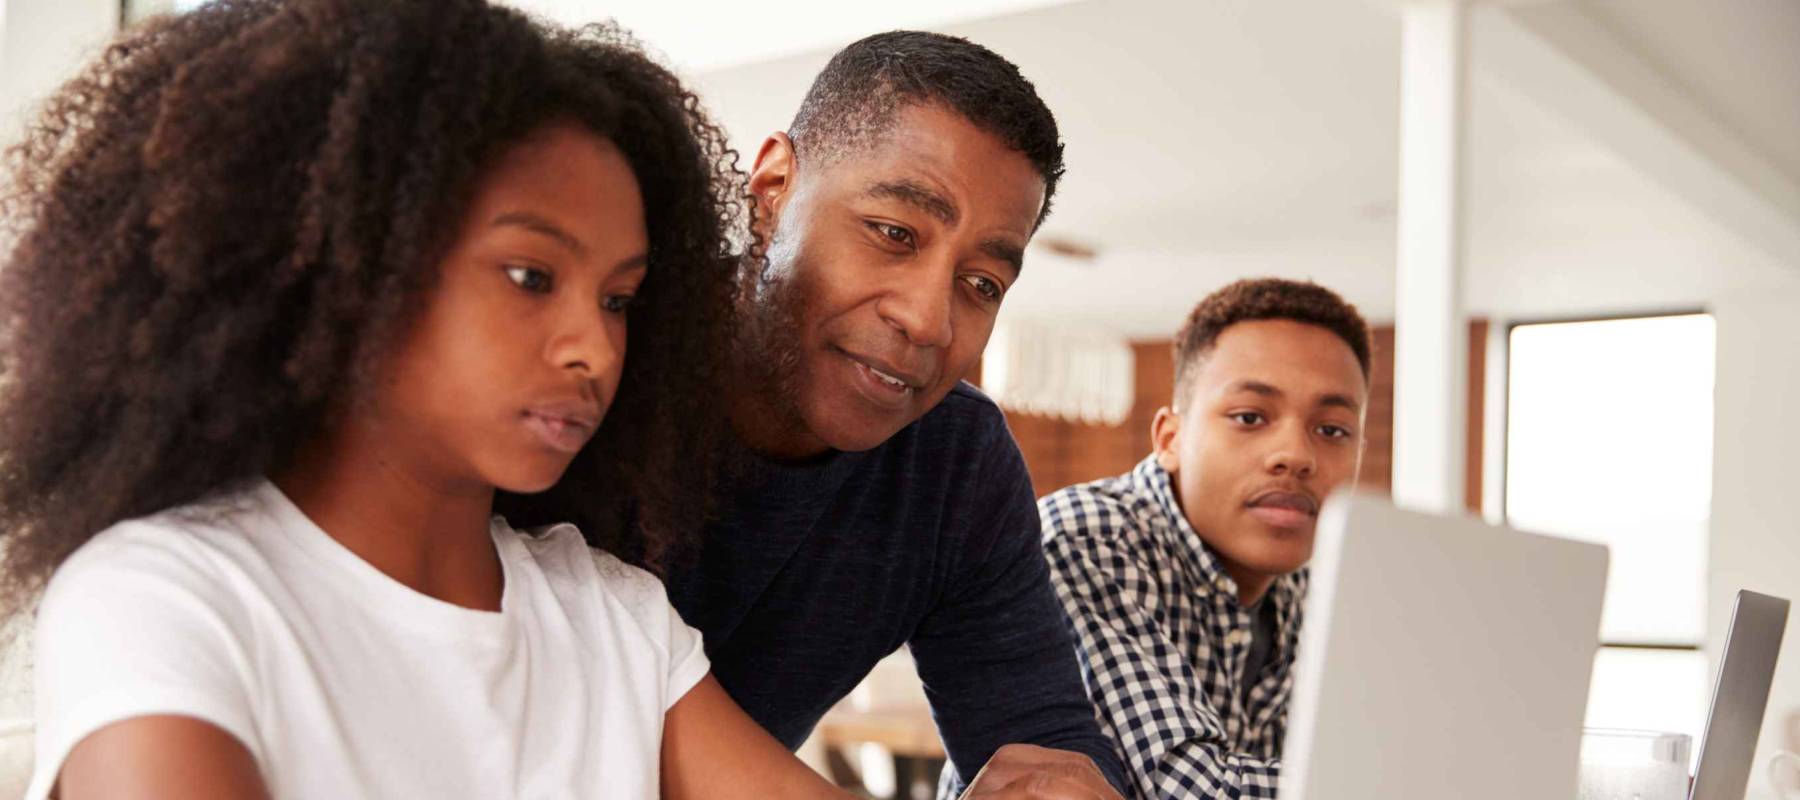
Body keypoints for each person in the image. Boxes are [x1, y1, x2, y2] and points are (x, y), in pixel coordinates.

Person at [0, 1, 851, 797]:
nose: (592, 348)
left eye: (617, 299)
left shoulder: (611, 619)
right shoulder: (169, 598)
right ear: (352, 267)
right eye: (531, 276)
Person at [662, 30, 1129, 799]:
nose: (930, 321)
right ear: (773, 190)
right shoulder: (601, 358)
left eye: (981, 284)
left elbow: (1042, 739)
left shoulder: (955, 465)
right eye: (894, 234)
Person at [1040, 278, 1372, 799]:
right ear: (1170, 439)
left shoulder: (1315, 584)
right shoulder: (1088, 539)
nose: (1296, 454)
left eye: (1331, 430)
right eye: (1249, 416)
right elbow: (1185, 791)